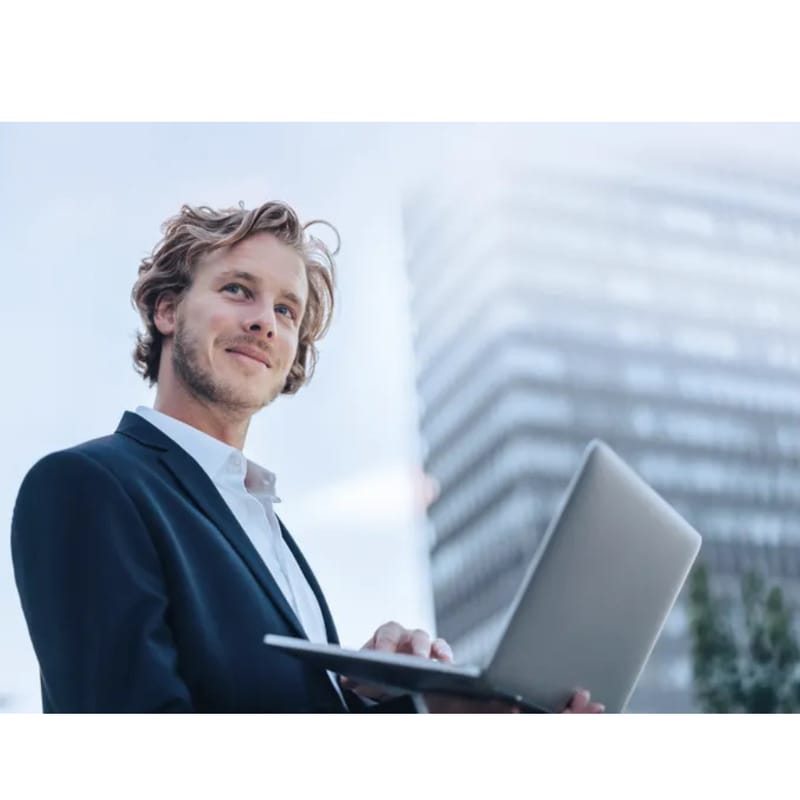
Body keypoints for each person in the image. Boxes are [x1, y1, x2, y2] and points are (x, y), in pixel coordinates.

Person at [11, 200, 603, 713]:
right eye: (237, 289)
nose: (263, 321)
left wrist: (410, 705)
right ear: (168, 311)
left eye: (286, 310)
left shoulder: (266, 527)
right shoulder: (86, 486)